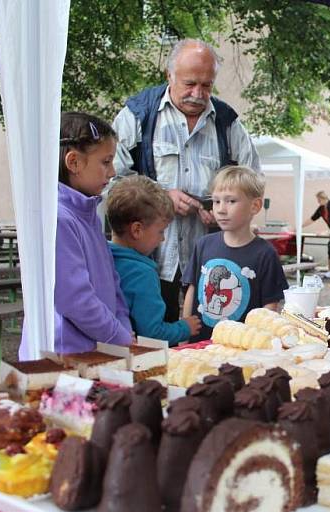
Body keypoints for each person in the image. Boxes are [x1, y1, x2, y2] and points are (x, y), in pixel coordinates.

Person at [113, 38, 261, 324]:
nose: (198, 93)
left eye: (207, 85)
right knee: (150, 345)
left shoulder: (227, 122)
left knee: (209, 343)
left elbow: (253, 179)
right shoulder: (137, 115)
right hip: (149, 261)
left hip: (213, 263)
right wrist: (160, 196)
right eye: (190, 83)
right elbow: (110, 181)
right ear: (170, 76)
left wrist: (226, 210)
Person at [20, 112, 133, 358]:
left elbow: (112, 283)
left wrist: (123, 327)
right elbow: (75, 299)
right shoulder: (58, 220)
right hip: (60, 359)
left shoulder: (89, 213)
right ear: (73, 163)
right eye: (106, 162)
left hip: (94, 352)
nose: (113, 171)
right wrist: (117, 336)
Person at [181, 166, 288, 341]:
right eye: (216, 201)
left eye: (231, 201)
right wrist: (184, 333)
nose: (221, 209)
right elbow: (191, 290)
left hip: (242, 349)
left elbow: (270, 306)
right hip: (199, 345)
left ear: (255, 206)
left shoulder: (266, 253)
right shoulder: (203, 244)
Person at [107, 175, 201, 346]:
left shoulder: (101, 254)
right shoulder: (142, 274)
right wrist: (185, 327)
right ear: (137, 230)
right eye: (161, 231)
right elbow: (152, 334)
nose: (163, 239)